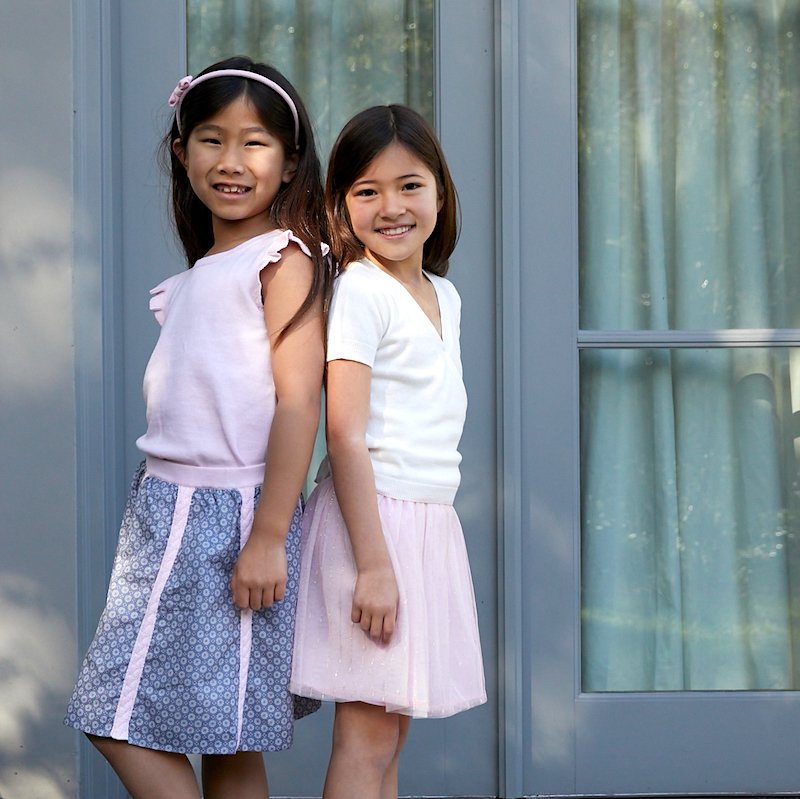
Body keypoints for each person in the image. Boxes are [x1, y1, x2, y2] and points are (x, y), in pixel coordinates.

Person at [65, 56, 332, 799]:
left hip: (233, 517)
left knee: (119, 716)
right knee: (225, 731)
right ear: (182, 152)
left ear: (288, 162)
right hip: (165, 513)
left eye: (255, 143)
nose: (232, 160)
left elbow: (298, 404)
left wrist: (270, 535)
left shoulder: (283, 262)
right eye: (211, 139)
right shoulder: (206, 269)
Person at [290, 105, 486, 799]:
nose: (392, 206)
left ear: (440, 192)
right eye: (366, 191)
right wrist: (374, 565)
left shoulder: (444, 294)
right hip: (372, 526)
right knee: (367, 735)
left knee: (390, 735)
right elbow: (343, 432)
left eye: (410, 185)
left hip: (425, 519)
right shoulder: (361, 292)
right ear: (341, 205)